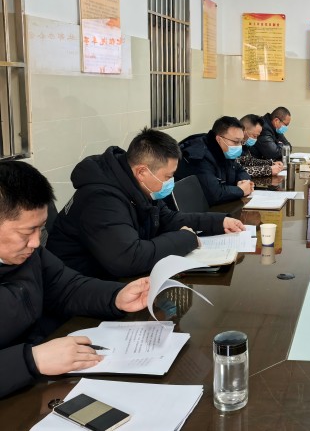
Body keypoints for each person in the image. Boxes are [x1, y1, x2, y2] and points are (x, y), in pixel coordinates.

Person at [0, 161, 151, 398]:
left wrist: (116, 297)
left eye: (40, 228)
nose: (36, 242)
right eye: (27, 232)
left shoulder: (28, 254)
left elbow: (66, 287)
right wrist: (31, 360)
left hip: (39, 382)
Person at [47, 128, 244, 279]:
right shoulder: (101, 200)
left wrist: (218, 222)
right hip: (82, 290)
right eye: (168, 176)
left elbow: (169, 218)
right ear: (142, 172)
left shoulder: (137, 185)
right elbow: (129, 259)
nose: (171, 182)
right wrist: (186, 239)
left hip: (114, 280)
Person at [176, 116, 255, 205]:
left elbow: (240, 170)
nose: (239, 146)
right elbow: (214, 194)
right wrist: (240, 190)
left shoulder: (224, 151)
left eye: (241, 142)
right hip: (194, 208)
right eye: (236, 142)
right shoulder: (199, 156)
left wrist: (243, 181)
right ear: (218, 139)